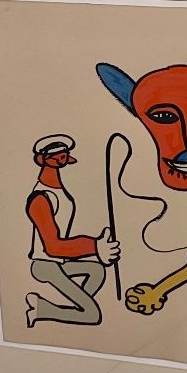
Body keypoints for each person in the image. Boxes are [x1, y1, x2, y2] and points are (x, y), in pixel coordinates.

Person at [25, 134, 120, 327]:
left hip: (58, 263)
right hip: (45, 264)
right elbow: (53, 247)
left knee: (97, 271)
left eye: (64, 154)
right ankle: (48, 311)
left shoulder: (58, 192)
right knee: (92, 315)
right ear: (43, 159)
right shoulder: (40, 199)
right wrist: (94, 246)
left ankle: (50, 308)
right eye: (57, 155)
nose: (63, 157)